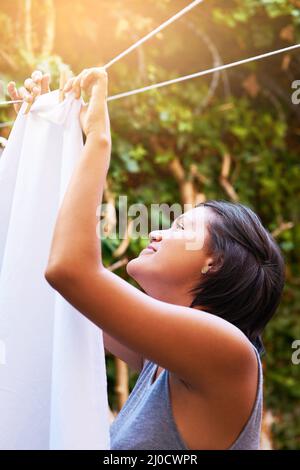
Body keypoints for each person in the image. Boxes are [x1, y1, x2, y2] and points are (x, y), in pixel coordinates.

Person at [7, 70, 285, 450]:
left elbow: (70, 272)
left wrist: (99, 140)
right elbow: (52, 286)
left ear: (215, 263)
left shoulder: (228, 352)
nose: (156, 233)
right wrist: (39, 145)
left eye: (181, 227)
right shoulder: (165, 359)